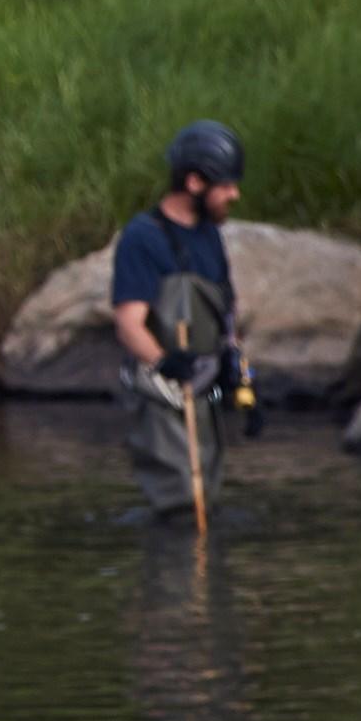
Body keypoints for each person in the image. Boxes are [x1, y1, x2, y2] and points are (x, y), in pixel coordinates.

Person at [110, 121, 254, 519]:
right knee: (180, 503)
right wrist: (166, 363)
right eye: (225, 185)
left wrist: (243, 382)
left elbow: (227, 317)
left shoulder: (210, 236)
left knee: (207, 497)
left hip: (206, 387)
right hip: (167, 391)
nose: (234, 195)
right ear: (194, 182)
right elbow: (129, 323)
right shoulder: (143, 237)